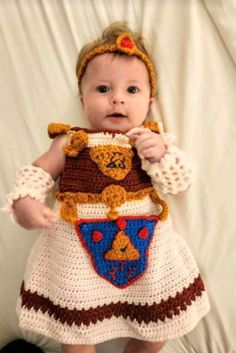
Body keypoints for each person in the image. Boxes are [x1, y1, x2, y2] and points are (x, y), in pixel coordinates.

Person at [4, 22, 210, 353]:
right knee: (75, 334)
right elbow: (37, 172)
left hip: (146, 256)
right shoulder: (70, 142)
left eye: (132, 90)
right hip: (77, 258)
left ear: (150, 101)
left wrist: (161, 156)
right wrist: (25, 201)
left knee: (157, 329)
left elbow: (179, 182)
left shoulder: (148, 140)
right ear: (82, 96)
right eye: (102, 89)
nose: (117, 99)